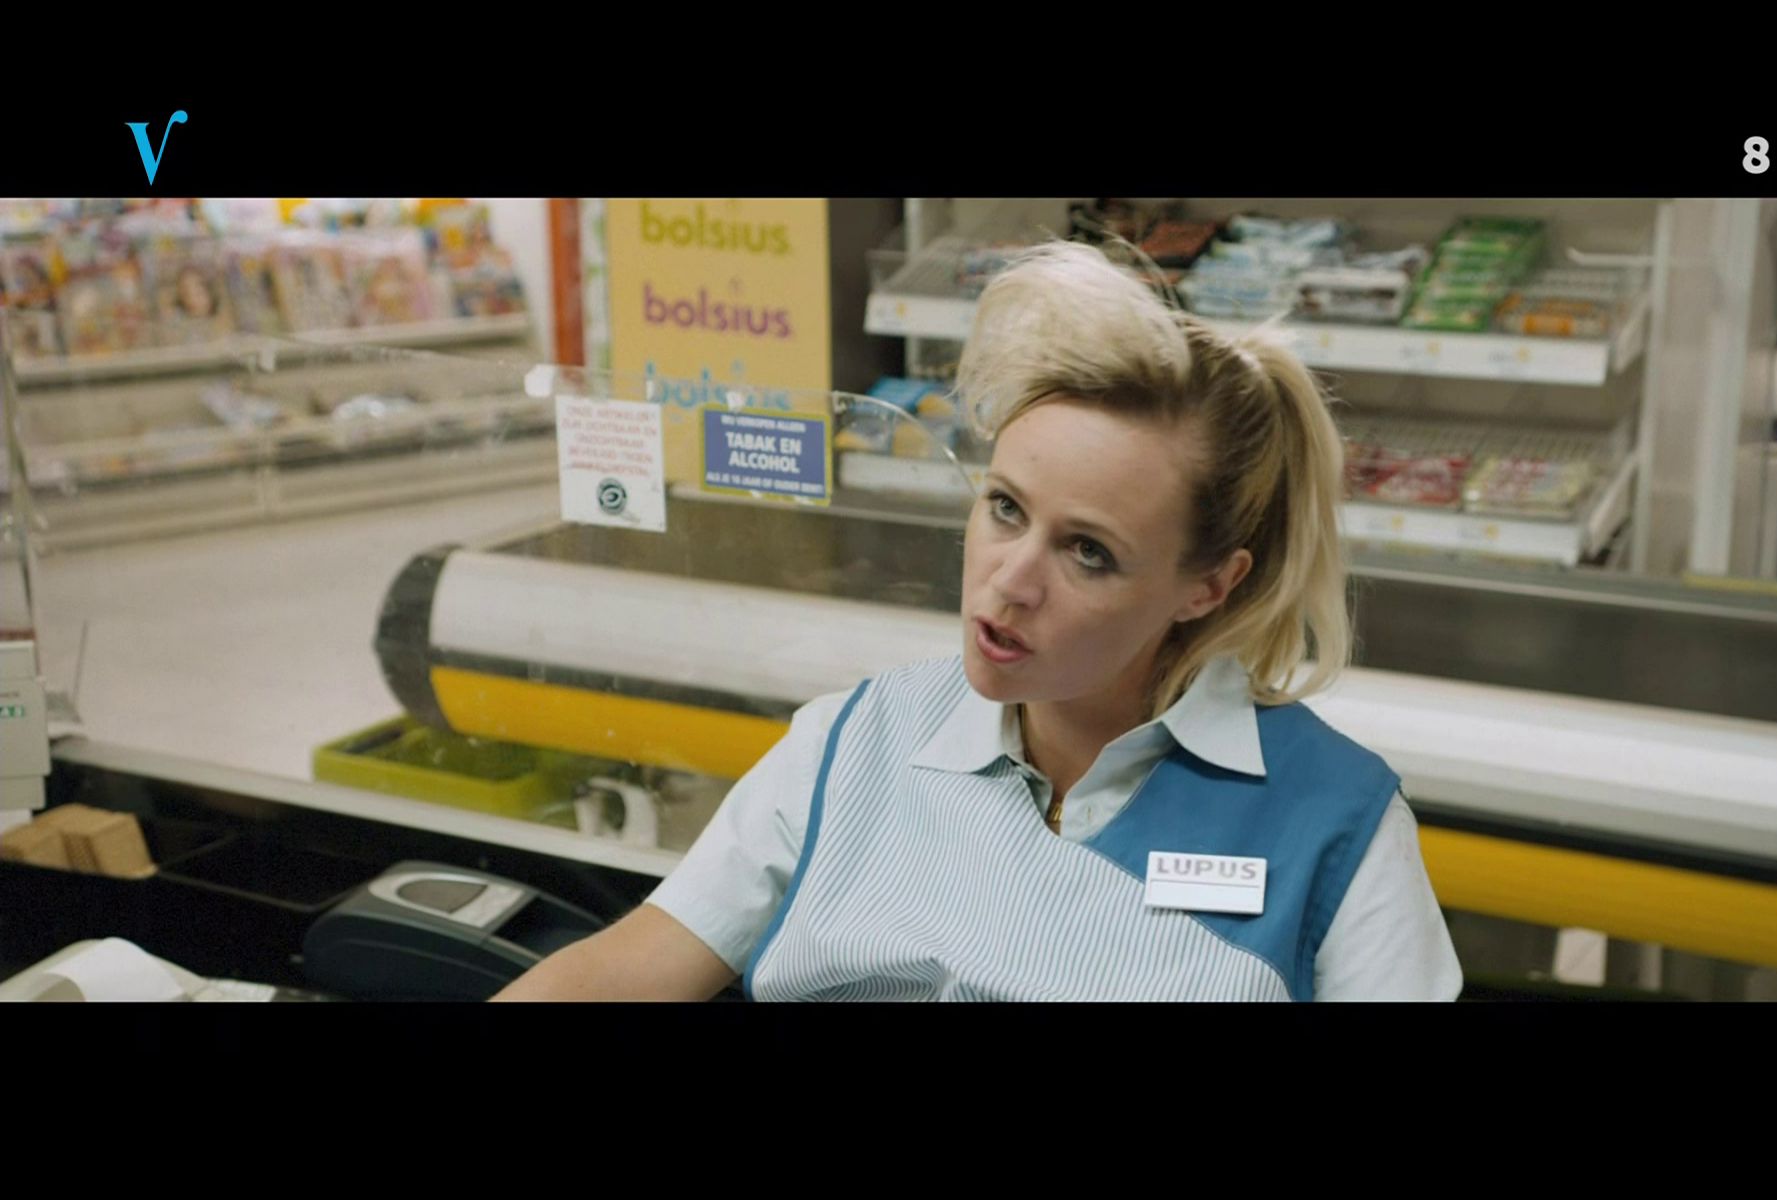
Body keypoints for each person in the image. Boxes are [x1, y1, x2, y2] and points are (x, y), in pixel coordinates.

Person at [494, 241, 1462, 1002]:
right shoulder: (855, 742)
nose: (1010, 581)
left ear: (1208, 586)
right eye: (1005, 508)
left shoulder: (1336, 827)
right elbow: (623, 970)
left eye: (1089, 552)